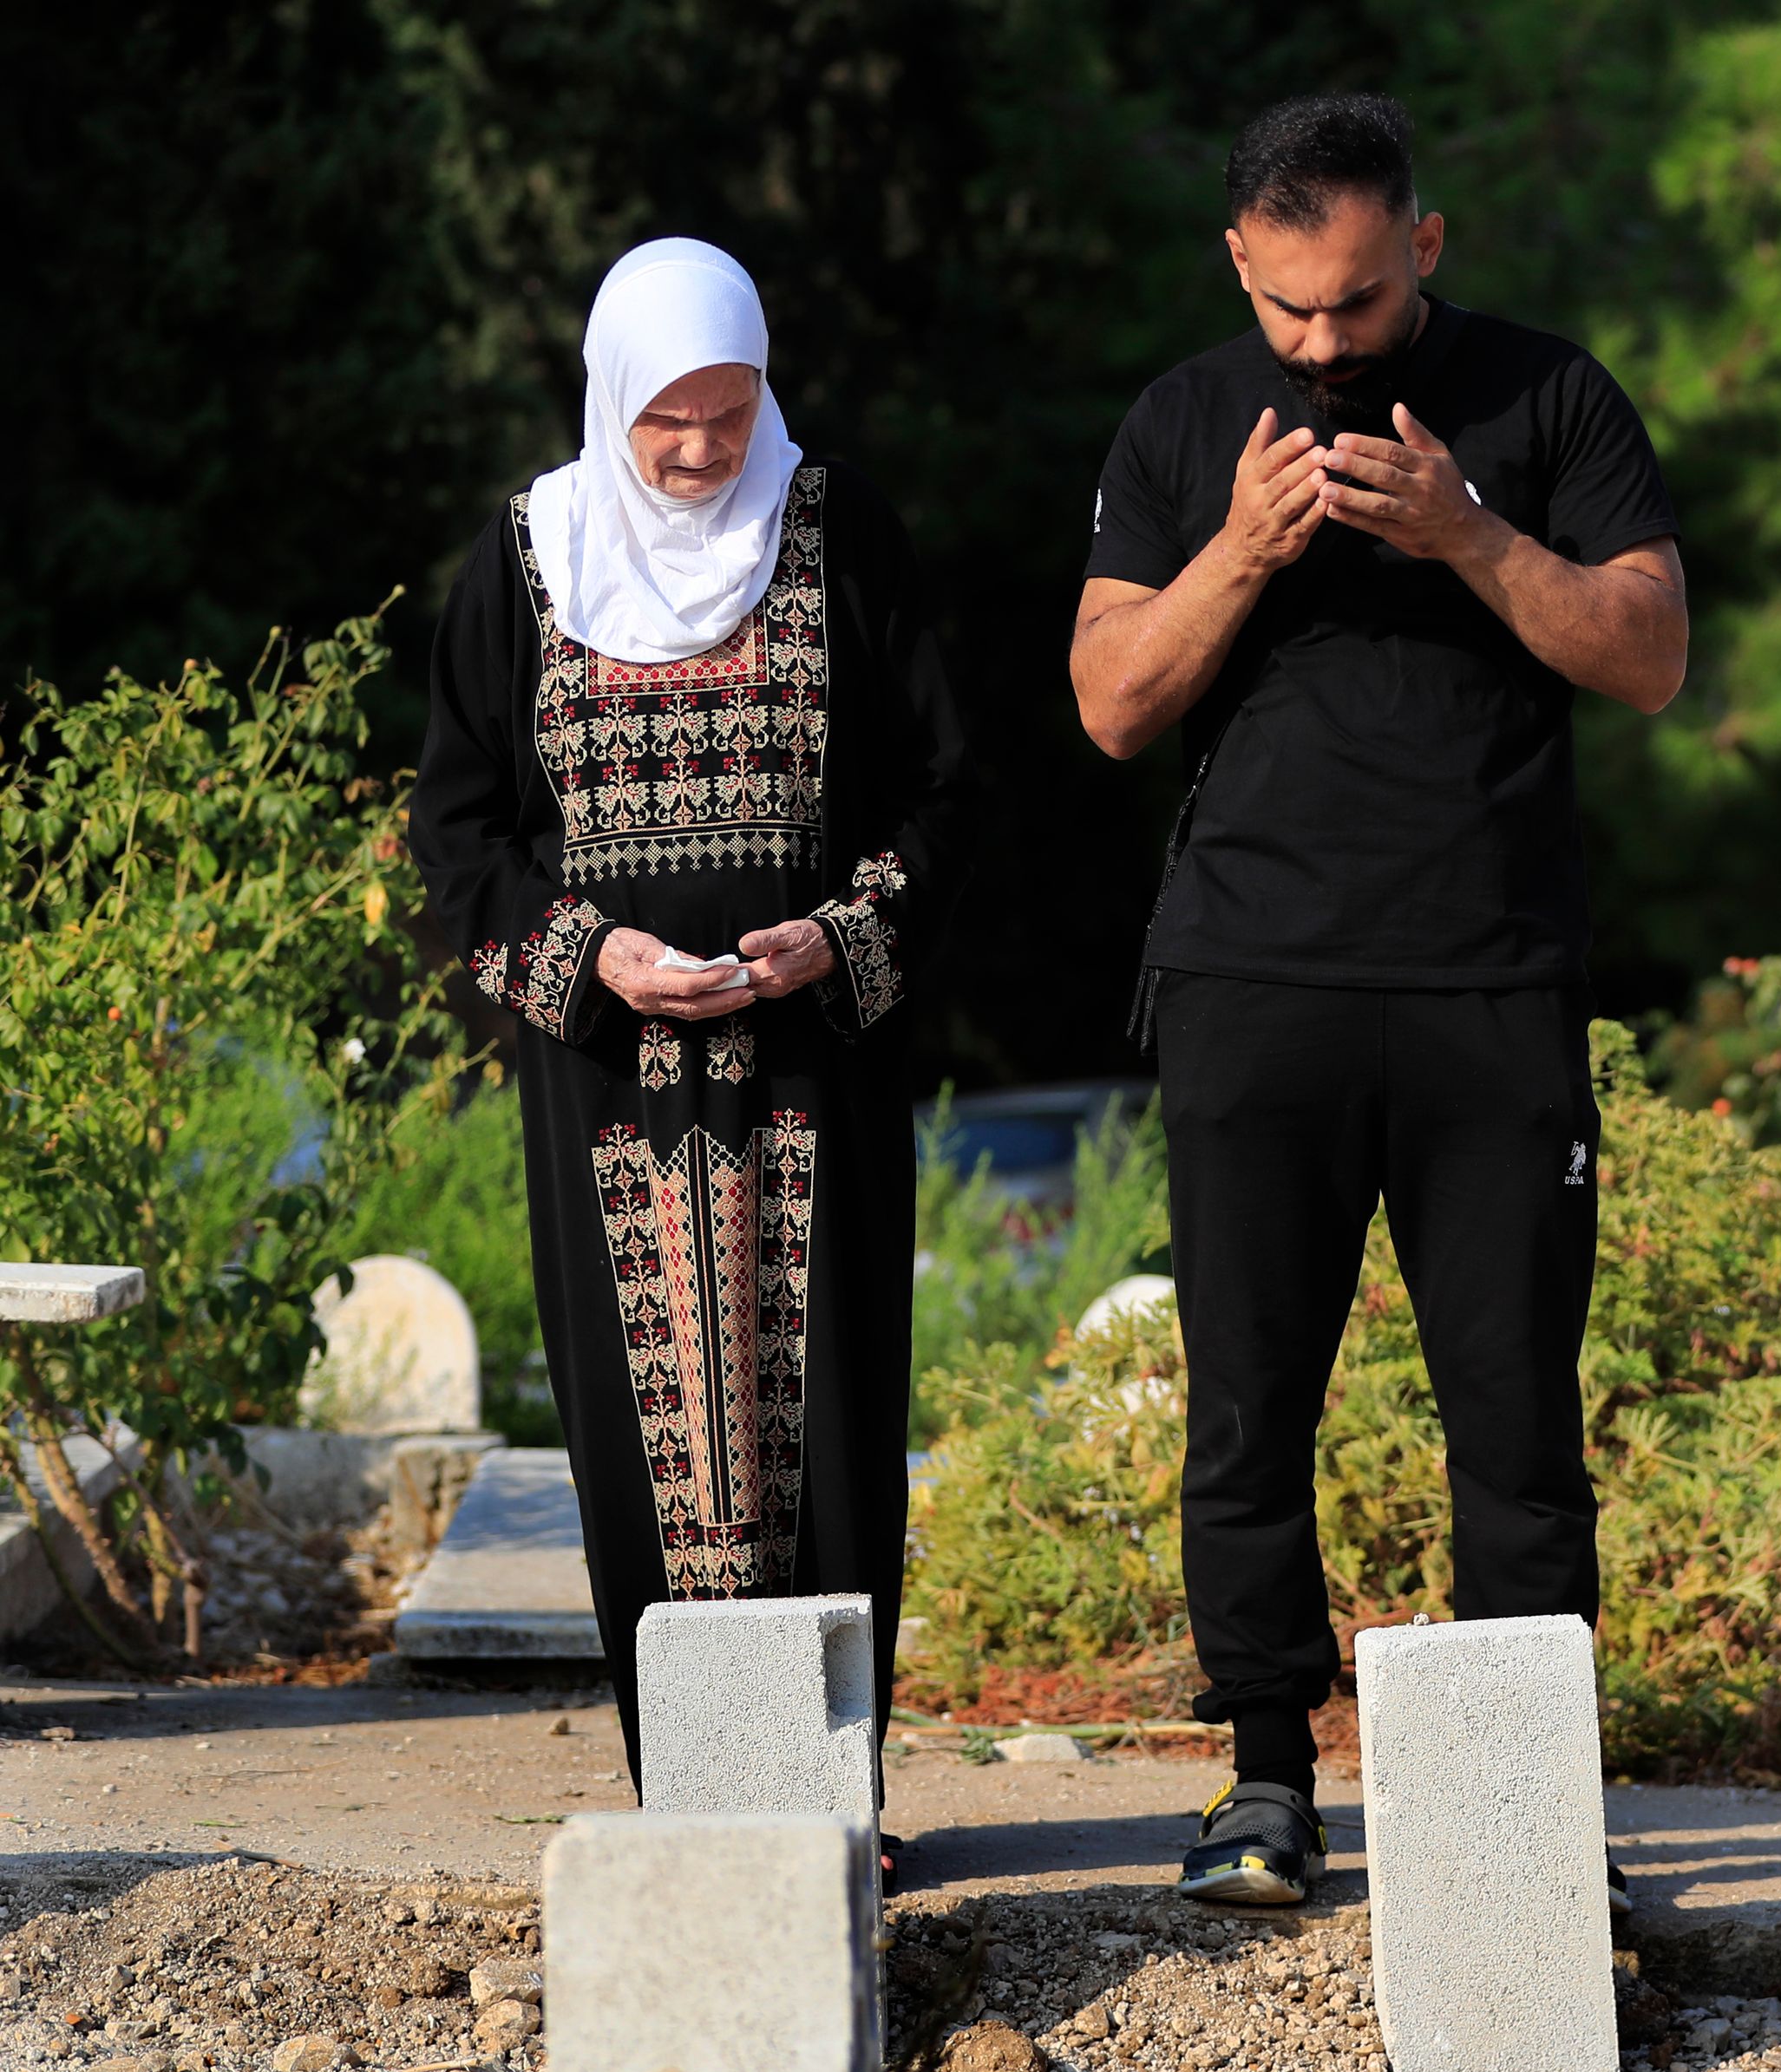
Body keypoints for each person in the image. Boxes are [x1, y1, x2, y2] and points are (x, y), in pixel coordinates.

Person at [1070, 93, 1686, 1908]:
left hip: (1491, 981)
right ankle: (1265, 1778)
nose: (1323, 346)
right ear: (1240, 270)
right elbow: (1110, 703)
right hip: (1254, 976)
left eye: (1352, 303)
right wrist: (1244, 550)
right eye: (1290, 314)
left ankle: (1518, 1811)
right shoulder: (1185, 422)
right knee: (1249, 1401)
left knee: (1514, 1407)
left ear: (1424, 242)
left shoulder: (1551, 400)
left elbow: (1648, 656)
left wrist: (1473, 533)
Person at [414, 239, 980, 1879]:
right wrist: (591, 958)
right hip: (610, 1095)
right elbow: (458, 835)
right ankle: (700, 1808)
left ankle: (828, 1806)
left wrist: (836, 937)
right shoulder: (527, 560)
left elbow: (947, 798)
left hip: (815, 1073)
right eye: (667, 421)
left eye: (729, 415)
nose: (700, 454)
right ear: (611, 402)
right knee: (644, 1431)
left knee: (832, 1413)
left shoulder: (838, 531)